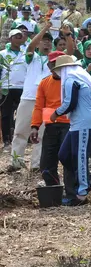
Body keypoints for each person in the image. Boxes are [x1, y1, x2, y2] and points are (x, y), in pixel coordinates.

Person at [51, 55, 91, 206]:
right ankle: (90, 179)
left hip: (84, 124)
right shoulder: (81, 79)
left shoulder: (70, 80)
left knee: (79, 157)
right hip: (77, 124)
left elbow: (70, 103)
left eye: (59, 70)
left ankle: (81, 193)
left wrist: (56, 113)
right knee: (65, 155)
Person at [31, 52, 73, 198]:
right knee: (46, 166)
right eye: (52, 64)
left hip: (69, 125)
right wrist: (35, 126)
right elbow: (38, 106)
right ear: (49, 66)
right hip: (51, 126)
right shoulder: (44, 83)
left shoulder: (72, 81)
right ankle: (55, 191)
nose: (55, 67)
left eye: (58, 64)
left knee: (68, 160)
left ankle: (71, 193)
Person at [10, 27, 53, 170]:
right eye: (44, 41)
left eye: (49, 41)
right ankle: (16, 162)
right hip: (28, 98)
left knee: (42, 134)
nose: (46, 44)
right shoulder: (30, 57)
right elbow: (30, 46)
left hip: (46, 101)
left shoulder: (53, 60)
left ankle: (36, 165)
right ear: (38, 43)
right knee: (20, 131)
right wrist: (45, 29)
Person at [1, 29, 28, 147]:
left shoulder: (26, 53)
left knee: (22, 114)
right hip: (6, 87)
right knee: (6, 114)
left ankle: (21, 138)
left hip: (22, 87)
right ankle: (7, 140)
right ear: (10, 38)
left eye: (20, 37)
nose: (18, 39)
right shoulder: (2, 54)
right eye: (16, 37)